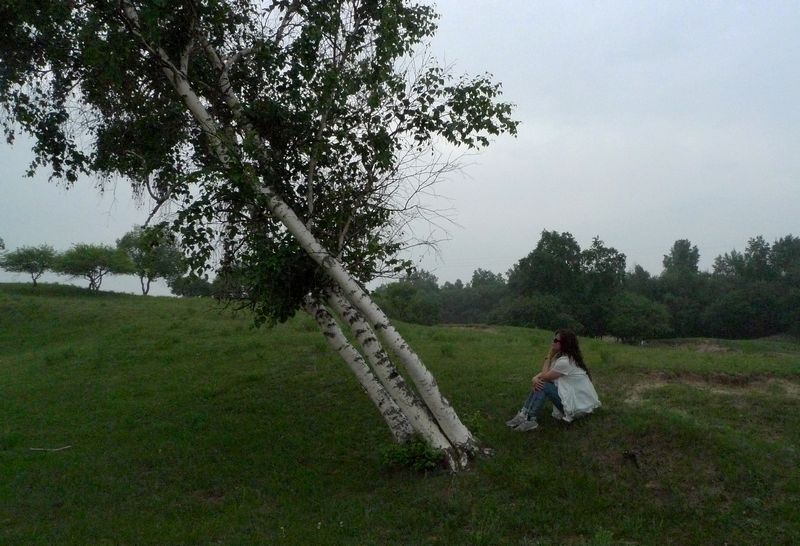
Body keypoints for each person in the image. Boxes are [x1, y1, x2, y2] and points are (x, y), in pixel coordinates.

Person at [506, 329, 601, 432]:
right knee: (541, 383)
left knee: (543, 384)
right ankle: (524, 414)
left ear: (565, 344)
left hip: (577, 409)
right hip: (576, 402)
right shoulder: (566, 358)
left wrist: (549, 355)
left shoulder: (565, 361)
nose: (553, 342)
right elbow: (549, 373)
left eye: (556, 341)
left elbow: (545, 376)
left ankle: (530, 419)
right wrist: (535, 378)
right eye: (553, 339)